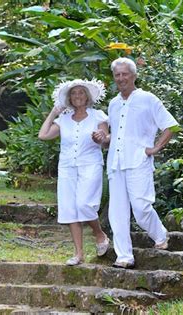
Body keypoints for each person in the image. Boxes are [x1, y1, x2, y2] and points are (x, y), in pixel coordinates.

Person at [92, 58, 178, 269]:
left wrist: (156, 148)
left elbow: (171, 126)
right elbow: (116, 136)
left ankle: (160, 234)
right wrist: (103, 139)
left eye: (125, 74)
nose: (121, 78)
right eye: (117, 75)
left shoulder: (148, 99)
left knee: (141, 207)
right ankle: (124, 256)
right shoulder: (113, 104)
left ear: (134, 75)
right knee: (117, 212)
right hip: (116, 163)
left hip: (138, 161)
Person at [38, 79, 110, 266]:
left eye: (81, 92)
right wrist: (54, 112)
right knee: (70, 208)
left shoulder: (98, 116)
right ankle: (79, 254)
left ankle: (99, 234)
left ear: (87, 96)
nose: (77, 96)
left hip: (90, 164)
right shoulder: (63, 120)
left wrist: (101, 137)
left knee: (84, 204)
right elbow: (43, 135)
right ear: (69, 98)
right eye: (74, 93)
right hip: (67, 167)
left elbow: (106, 139)